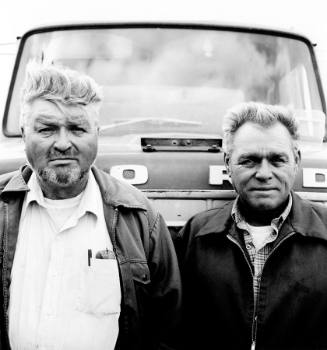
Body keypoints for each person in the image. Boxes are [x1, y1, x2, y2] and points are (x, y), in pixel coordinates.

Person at [0, 62, 181, 350]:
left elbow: (166, 329)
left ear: (96, 134)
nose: (63, 143)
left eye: (77, 129)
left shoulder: (142, 219)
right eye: (47, 129)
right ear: (23, 134)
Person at [177, 102, 327, 350]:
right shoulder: (196, 235)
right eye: (249, 161)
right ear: (228, 163)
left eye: (277, 160)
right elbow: (176, 331)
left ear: (296, 161)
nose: (264, 173)